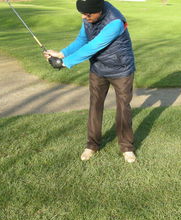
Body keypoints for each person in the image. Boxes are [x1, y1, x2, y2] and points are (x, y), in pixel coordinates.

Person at [44, 0, 136, 163]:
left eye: (88, 14)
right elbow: (82, 39)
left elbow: (93, 46)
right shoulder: (88, 16)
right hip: (98, 68)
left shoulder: (115, 23)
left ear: (99, 10)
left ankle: (126, 148)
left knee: (123, 108)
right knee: (95, 105)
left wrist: (66, 63)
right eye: (82, 14)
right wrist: (62, 54)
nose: (84, 17)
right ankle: (92, 145)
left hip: (121, 69)